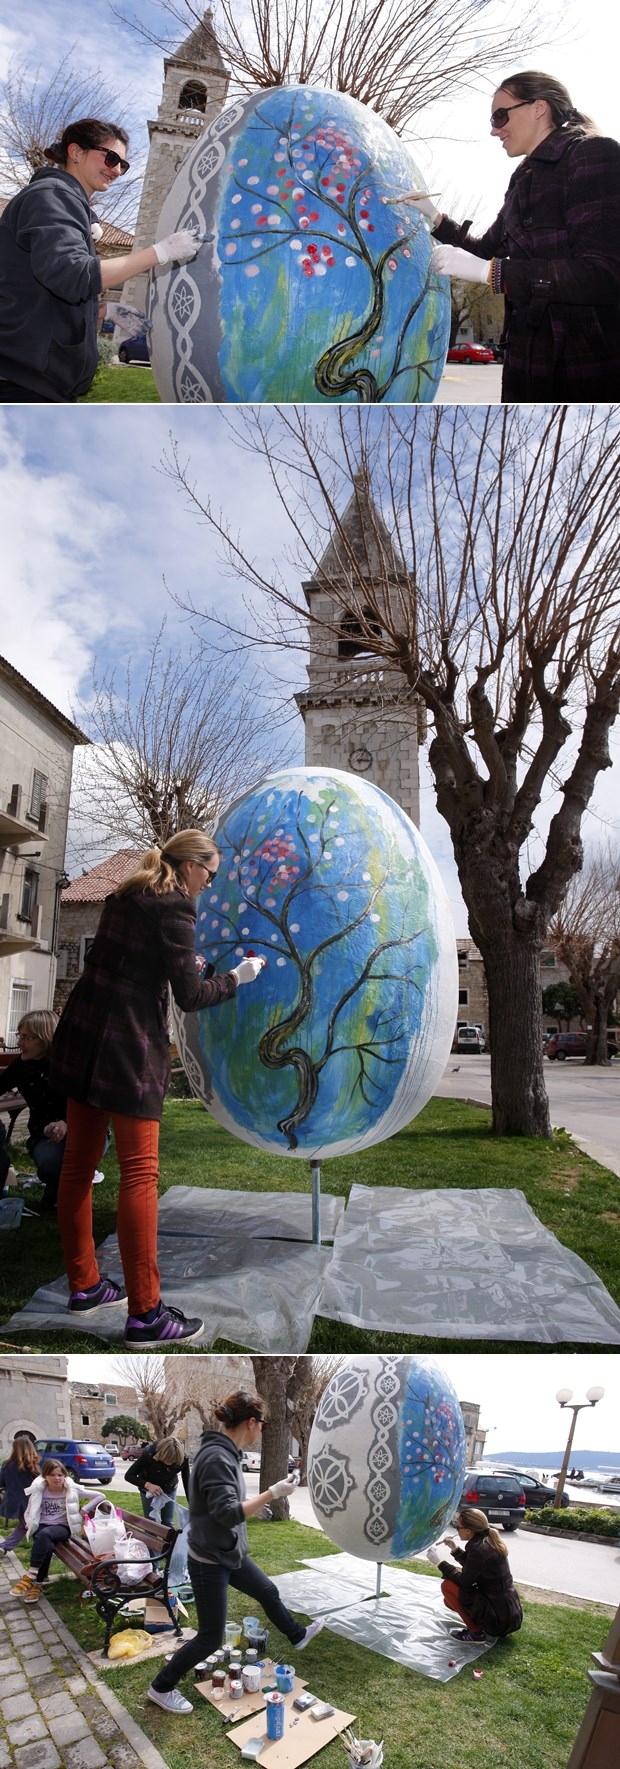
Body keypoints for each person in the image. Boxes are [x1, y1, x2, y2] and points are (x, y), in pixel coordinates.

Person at [49, 830, 266, 1348]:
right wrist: (238, 977)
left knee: (79, 1163)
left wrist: (193, 964)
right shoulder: (176, 907)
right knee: (140, 1174)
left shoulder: (126, 895)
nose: (208, 887)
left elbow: (143, 961)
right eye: (208, 876)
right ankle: (146, 1313)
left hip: (84, 1034)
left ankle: (85, 1286)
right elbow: (189, 998)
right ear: (190, 865)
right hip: (126, 1046)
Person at [400, 71, 620, 400]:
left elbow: (605, 273)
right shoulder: (522, 179)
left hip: (581, 362)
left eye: (500, 115)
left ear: (539, 108)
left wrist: (493, 273)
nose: (494, 129)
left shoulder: (592, 155)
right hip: (526, 362)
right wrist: (435, 216)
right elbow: (485, 250)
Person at [0, 116, 202, 403]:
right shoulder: (52, 197)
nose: (117, 170)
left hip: (38, 381)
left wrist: (100, 310)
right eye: (110, 158)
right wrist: (162, 252)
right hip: (21, 382)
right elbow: (74, 275)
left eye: (123, 164)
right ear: (76, 152)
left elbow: (43, 286)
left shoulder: (67, 202)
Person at [148, 1389, 324, 1714]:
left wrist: (252, 1507)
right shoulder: (217, 1456)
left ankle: (297, 1635)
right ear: (252, 1422)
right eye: (263, 1424)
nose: (263, 1429)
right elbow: (227, 1512)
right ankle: (161, 1686)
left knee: (267, 1590)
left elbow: (221, 1506)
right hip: (209, 1559)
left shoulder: (224, 1451)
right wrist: (272, 1493)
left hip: (228, 1551)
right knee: (211, 1637)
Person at [0, 1011, 68, 1213]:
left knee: (75, 1163)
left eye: (27, 1037)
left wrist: (66, 1123)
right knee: (50, 1163)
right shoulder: (21, 1066)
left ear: (46, 1039)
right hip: (43, 1134)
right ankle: (56, 1185)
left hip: (83, 1131)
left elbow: (90, 1103)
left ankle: (68, 1189)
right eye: (19, 1036)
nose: (20, 1042)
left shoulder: (67, 1065)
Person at [13, 1458, 106, 1604]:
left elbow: (100, 1496)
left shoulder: (71, 1491)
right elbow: (29, 1510)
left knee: (44, 1536)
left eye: (60, 1475)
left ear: (65, 1476)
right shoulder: (39, 1491)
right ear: (45, 1477)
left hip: (63, 1528)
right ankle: (38, 1585)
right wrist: (27, 1522)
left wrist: (83, 1511)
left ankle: (31, 1575)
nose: (57, 1478)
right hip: (43, 1526)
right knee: (47, 1545)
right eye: (52, 1475)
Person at [427, 1504, 523, 1642]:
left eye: (458, 1527)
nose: (457, 1530)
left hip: (499, 1620)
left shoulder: (479, 1548)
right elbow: (475, 1566)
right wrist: (455, 1549)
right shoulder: (486, 1541)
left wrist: (439, 1563)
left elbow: (465, 1582)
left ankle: (476, 1633)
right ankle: (481, 1625)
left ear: (468, 1531)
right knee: (449, 1601)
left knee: (447, 1586)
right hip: (509, 1616)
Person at [125, 1437, 190, 1527]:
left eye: (174, 1463)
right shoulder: (149, 1453)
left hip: (169, 1488)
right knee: (151, 1524)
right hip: (148, 1490)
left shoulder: (183, 1458)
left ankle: (168, 1541)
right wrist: (148, 1485)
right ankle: (151, 1539)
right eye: (168, 1462)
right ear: (161, 1455)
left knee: (168, 1523)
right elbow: (129, 1476)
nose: (171, 1465)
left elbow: (187, 1482)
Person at [0, 1433, 41, 1556]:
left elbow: (1, 1482)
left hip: (13, 1501)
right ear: (30, 1448)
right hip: (30, 1502)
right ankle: (45, 1548)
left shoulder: (7, 1465)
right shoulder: (33, 1466)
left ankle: (5, 1547)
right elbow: (41, 1484)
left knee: (26, 1525)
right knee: (32, 1525)